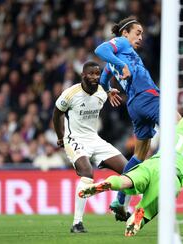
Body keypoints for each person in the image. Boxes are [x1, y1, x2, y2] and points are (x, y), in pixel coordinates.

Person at [79, 108, 183, 236]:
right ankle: (138, 219)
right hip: (173, 177)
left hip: (155, 164)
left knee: (126, 181)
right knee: (148, 208)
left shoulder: (179, 129)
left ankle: (109, 183)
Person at [94, 16, 161, 220]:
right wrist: (121, 65)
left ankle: (120, 199)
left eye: (142, 34)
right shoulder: (121, 43)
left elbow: (104, 79)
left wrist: (108, 91)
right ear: (125, 33)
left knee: (140, 155)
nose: (140, 37)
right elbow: (100, 50)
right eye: (137, 32)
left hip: (134, 105)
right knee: (182, 125)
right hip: (147, 95)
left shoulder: (112, 64)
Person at [52, 61, 128, 233]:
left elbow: (106, 91)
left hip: (94, 139)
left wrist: (109, 92)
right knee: (87, 174)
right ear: (83, 75)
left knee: (129, 170)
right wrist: (60, 136)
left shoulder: (102, 92)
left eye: (97, 74)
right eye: (91, 74)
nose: (95, 77)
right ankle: (77, 223)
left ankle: (121, 208)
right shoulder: (70, 94)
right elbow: (57, 114)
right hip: (74, 139)